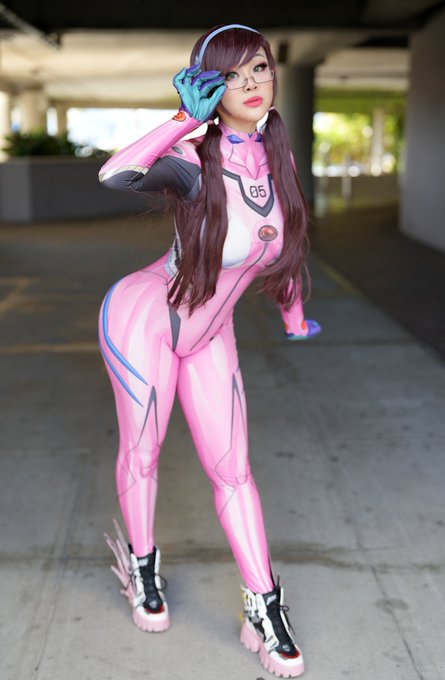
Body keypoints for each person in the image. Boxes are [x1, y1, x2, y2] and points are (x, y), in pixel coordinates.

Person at [99, 23, 321, 678]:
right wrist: (181, 120)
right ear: (207, 87)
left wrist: (294, 317)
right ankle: (143, 569)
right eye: (230, 75)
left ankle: (264, 606)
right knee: (143, 452)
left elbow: (282, 253)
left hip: (210, 334)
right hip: (145, 319)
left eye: (259, 68)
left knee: (235, 472)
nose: (250, 84)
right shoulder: (195, 158)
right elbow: (116, 174)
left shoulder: (278, 164)